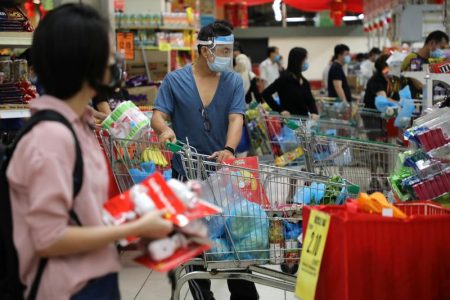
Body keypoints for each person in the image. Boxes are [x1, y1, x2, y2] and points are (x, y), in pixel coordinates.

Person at [7, 4, 173, 299]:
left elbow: (81, 214)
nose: (114, 62)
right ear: (83, 63)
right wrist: (131, 228)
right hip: (67, 288)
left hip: (95, 277)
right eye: (108, 53)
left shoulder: (79, 127)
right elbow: (49, 237)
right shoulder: (50, 138)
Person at [151, 21, 258, 300]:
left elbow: (236, 118)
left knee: (234, 242)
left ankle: (244, 294)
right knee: (195, 248)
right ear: (203, 49)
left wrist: (229, 149)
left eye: (229, 50)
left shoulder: (233, 81)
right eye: (222, 50)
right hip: (185, 174)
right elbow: (157, 115)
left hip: (223, 176)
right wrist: (165, 129)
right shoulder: (175, 80)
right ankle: (203, 296)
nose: (228, 56)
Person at [262, 47, 319, 119]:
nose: (306, 62)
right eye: (304, 59)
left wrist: (314, 113)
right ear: (297, 60)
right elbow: (266, 94)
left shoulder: (304, 82)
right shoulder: (285, 78)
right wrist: (280, 110)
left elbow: (310, 100)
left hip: (304, 121)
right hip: (290, 123)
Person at [401, 30, 449, 98]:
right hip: (411, 104)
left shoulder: (428, 61)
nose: (442, 52)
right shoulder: (414, 59)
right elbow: (419, 85)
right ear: (432, 43)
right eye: (441, 48)